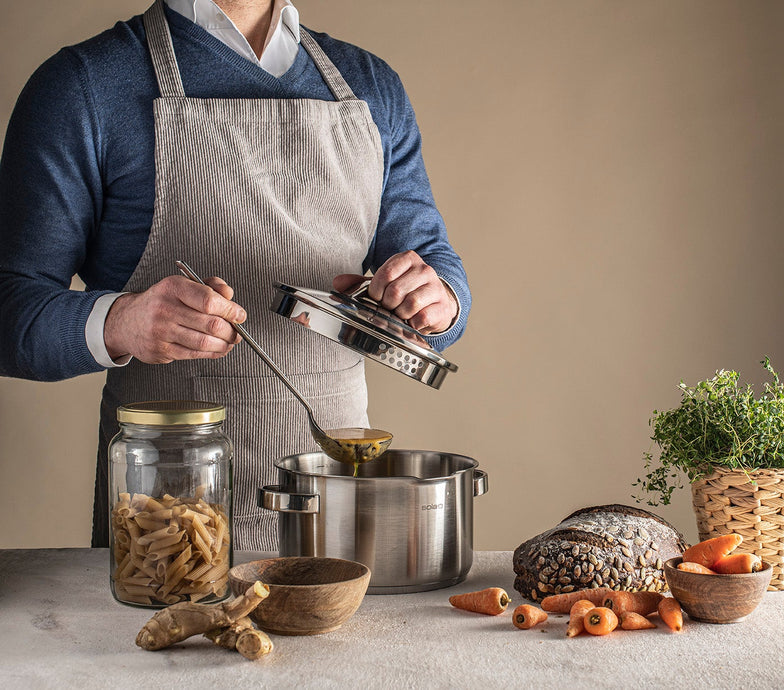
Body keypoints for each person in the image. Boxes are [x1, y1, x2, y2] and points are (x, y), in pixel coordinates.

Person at [0, 0, 471, 550]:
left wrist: (438, 299)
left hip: (340, 512)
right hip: (166, 523)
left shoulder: (371, 86)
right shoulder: (84, 84)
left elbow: (431, 259)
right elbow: (11, 309)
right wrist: (120, 322)